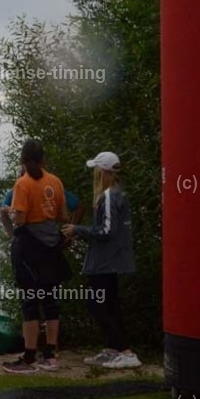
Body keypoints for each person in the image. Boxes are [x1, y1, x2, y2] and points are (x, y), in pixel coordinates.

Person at [62, 151, 141, 369]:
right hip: (112, 260)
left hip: (105, 262)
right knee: (109, 304)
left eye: (96, 169)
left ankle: (125, 350)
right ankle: (113, 348)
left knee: (98, 305)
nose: (94, 173)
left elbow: (106, 230)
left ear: (103, 171)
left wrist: (76, 229)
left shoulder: (107, 196)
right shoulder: (118, 193)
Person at [2, 140, 71, 374]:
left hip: (29, 249)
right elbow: (63, 215)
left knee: (30, 302)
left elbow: (20, 220)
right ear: (44, 160)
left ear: (22, 159)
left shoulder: (23, 183)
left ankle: (29, 358)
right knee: (51, 302)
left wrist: (9, 212)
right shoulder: (55, 181)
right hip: (51, 247)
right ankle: (51, 356)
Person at [1, 169, 85, 239]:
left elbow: (79, 206)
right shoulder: (16, 191)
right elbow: (3, 212)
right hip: (34, 240)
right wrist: (13, 237)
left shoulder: (51, 187)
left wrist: (70, 233)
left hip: (50, 238)